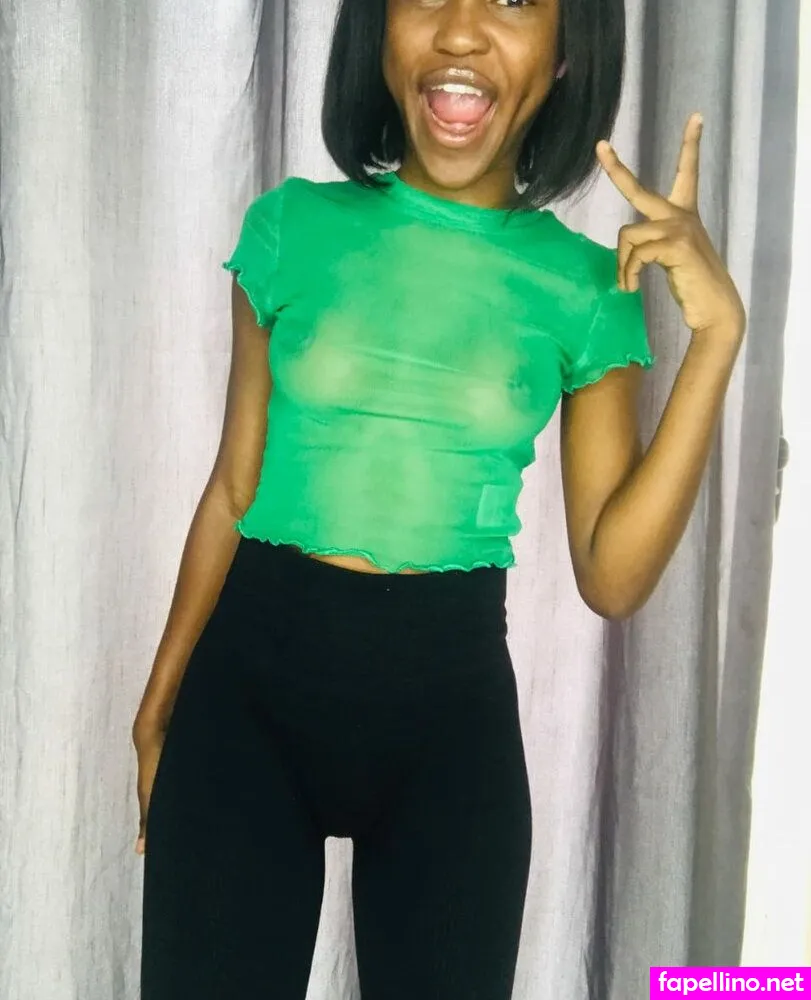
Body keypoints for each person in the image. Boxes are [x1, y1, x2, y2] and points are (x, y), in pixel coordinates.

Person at [134, 0, 746, 997]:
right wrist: (159, 701)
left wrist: (715, 339)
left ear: (566, 53)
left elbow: (612, 576)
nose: (460, 32)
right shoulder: (291, 226)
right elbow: (234, 485)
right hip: (243, 703)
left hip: (445, 725)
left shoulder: (587, 286)